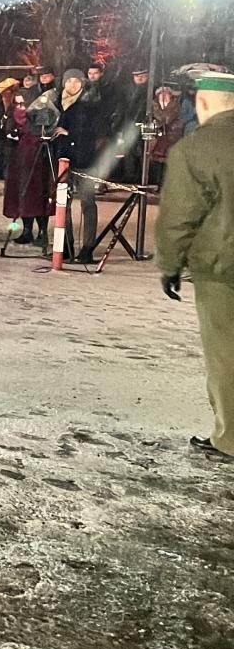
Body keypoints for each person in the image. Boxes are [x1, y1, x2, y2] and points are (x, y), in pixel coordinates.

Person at [156, 72, 234, 465]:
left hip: (222, 268)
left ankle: (230, 439)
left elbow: (179, 216)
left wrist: (169, 265)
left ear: (204, 105)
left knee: (226, 354)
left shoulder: (197, 148)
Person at [51, 68, 105, 264]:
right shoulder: (58, 102)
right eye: (68, 81)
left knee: (87, 203)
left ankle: (88, 247)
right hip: (64, 159)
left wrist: (70, 133)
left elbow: (94, 134)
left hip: (85, 160)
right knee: (62, 204)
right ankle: (64, 245)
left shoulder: (90, 104)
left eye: (76, 81)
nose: (72, 85)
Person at [2, 85, 54, 246]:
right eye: (17, 104)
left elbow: (46, 133)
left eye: (24, 104)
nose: (20, 108)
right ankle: (27, 229)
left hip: (38, 160)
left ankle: (43, 231)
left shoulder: (41, 116)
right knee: (21, 194)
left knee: (38, 195)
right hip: (19, 161)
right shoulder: (12, 117)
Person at [146, 84, 185, 185]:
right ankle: (156, 181)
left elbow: (169, 118)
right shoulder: (153, 105)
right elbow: (154, 117)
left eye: (166, 94)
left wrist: (162, 121)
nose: (163, 96)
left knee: (168, 160)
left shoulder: (175, 105)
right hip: (157, 135)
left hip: (171, 134)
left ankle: (164, 183)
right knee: (155, 159)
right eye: (161, 94)